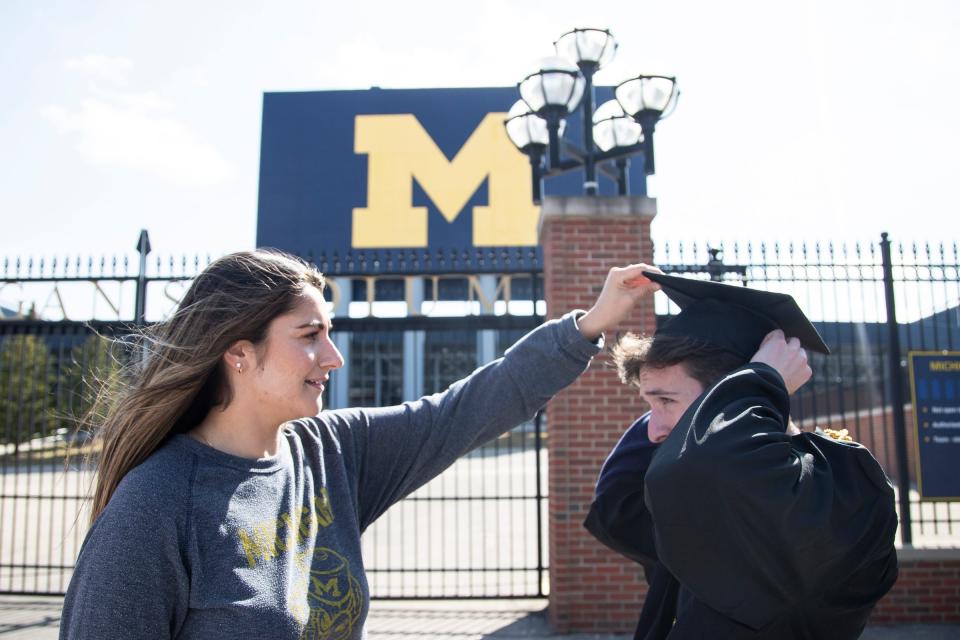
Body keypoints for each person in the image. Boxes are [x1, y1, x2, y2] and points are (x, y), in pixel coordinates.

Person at [59, 250, 660, 640]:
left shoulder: (330, 452)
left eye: (330, 333)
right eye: (309, 335)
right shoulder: (154, 506)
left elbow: (465, 411)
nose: (333, 356)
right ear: (238, 353)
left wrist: (590, 324)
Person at [584, 271, 898, 640]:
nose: (653, 430)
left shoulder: (832, 496)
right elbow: (615, 503)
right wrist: (733, 394)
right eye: (650, 403)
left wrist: (754, 384)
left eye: (666, 401)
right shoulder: (691, 492)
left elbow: (703, 462)